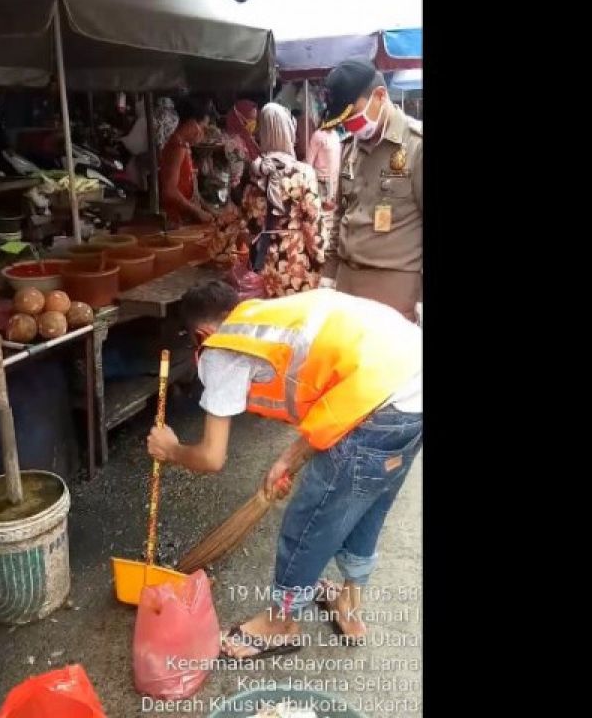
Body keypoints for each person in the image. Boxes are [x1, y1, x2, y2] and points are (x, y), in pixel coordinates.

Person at [146, 281, 422, 658]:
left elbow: (212, 457)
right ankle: (348, 602)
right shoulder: (269, 316)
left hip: (381, 401)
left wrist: (172, 448)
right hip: (410, 385)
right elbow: (341, 386)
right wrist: (290, 457)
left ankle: (280, 624)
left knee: (311, 518)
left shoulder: (223, 348)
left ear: (201, 334)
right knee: (368, 504)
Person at [319, 59, 423, 323]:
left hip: (395, 294)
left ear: (380, 96)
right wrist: (328, 275)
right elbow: (341, 214)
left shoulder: (415, 147)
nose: (352, 127)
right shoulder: (349, 149)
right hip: (346, 287)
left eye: (353, 118)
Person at [247, 103, 328, 295]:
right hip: (296, 264)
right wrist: (321, 258)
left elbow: (248, 221)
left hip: (262, 264)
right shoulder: (302, 172)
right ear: (288, 132)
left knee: (268, 321)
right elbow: (312, 224)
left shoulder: (255, 172)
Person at [159, 97, 216, 226]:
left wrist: (208, 209)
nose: (201, 133)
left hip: (182, 218)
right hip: (175, 220)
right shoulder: (177, 146)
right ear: (192, 124)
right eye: (202, 127)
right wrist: (197, 212)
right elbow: (169, 191)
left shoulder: (183, 145)